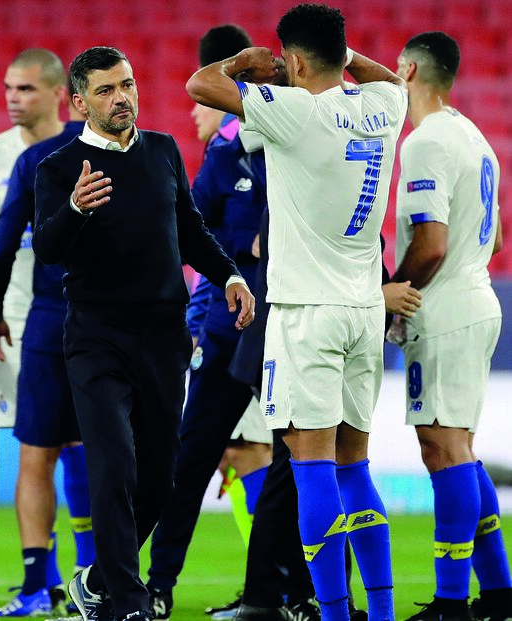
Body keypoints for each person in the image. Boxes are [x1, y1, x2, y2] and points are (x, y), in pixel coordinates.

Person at [186, 4, 408, 621]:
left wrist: (245, 63)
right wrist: (338, 58)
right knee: (355, 467)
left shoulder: (294, 113)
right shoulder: (383, 108)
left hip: (306, 315)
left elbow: (201, 84)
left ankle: (336, 614)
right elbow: (388, 77)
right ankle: (381, 614)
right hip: (364, 311)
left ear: (297, 60)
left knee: (311, 468)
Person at [33, 46, 254, 621]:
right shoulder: (57, 170)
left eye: (127, 84)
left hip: (163, 336)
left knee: (161, 479)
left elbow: (189, 225)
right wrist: (76, 210)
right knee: (115, 465)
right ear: (79, 102)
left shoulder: (162, 150)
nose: (122, 97)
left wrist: (227, 273)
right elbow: (49, 252)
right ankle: (128, 605)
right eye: (106, 90)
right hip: (97, 337)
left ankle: (100, 580)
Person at [0, 47, 92, 607]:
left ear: (58, 93)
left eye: (27, 89)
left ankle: (89, 576)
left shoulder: (89, 148)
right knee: (34, 448)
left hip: (83, 318)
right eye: (9, 88)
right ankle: (41, 580)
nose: (14, 99)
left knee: (83, 447)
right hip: (17, 322)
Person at [145, 25, 271, 620]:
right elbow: (195, 242)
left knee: (295, 461)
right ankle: (160, 581)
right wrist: (197, 319)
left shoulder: (296, 144)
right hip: (227, 330)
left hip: (290, 329)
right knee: (195, 456)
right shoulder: (223, 156)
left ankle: (290, 590)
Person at [391, 31, 512, 621]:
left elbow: (431, 244)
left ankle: (450, 602)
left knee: (443, 449)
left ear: (409, 71)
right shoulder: (472, 135)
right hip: (475, 297)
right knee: (459, 447)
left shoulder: (426, 142)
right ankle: (497, 593)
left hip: (443, 308)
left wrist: (394, 293)